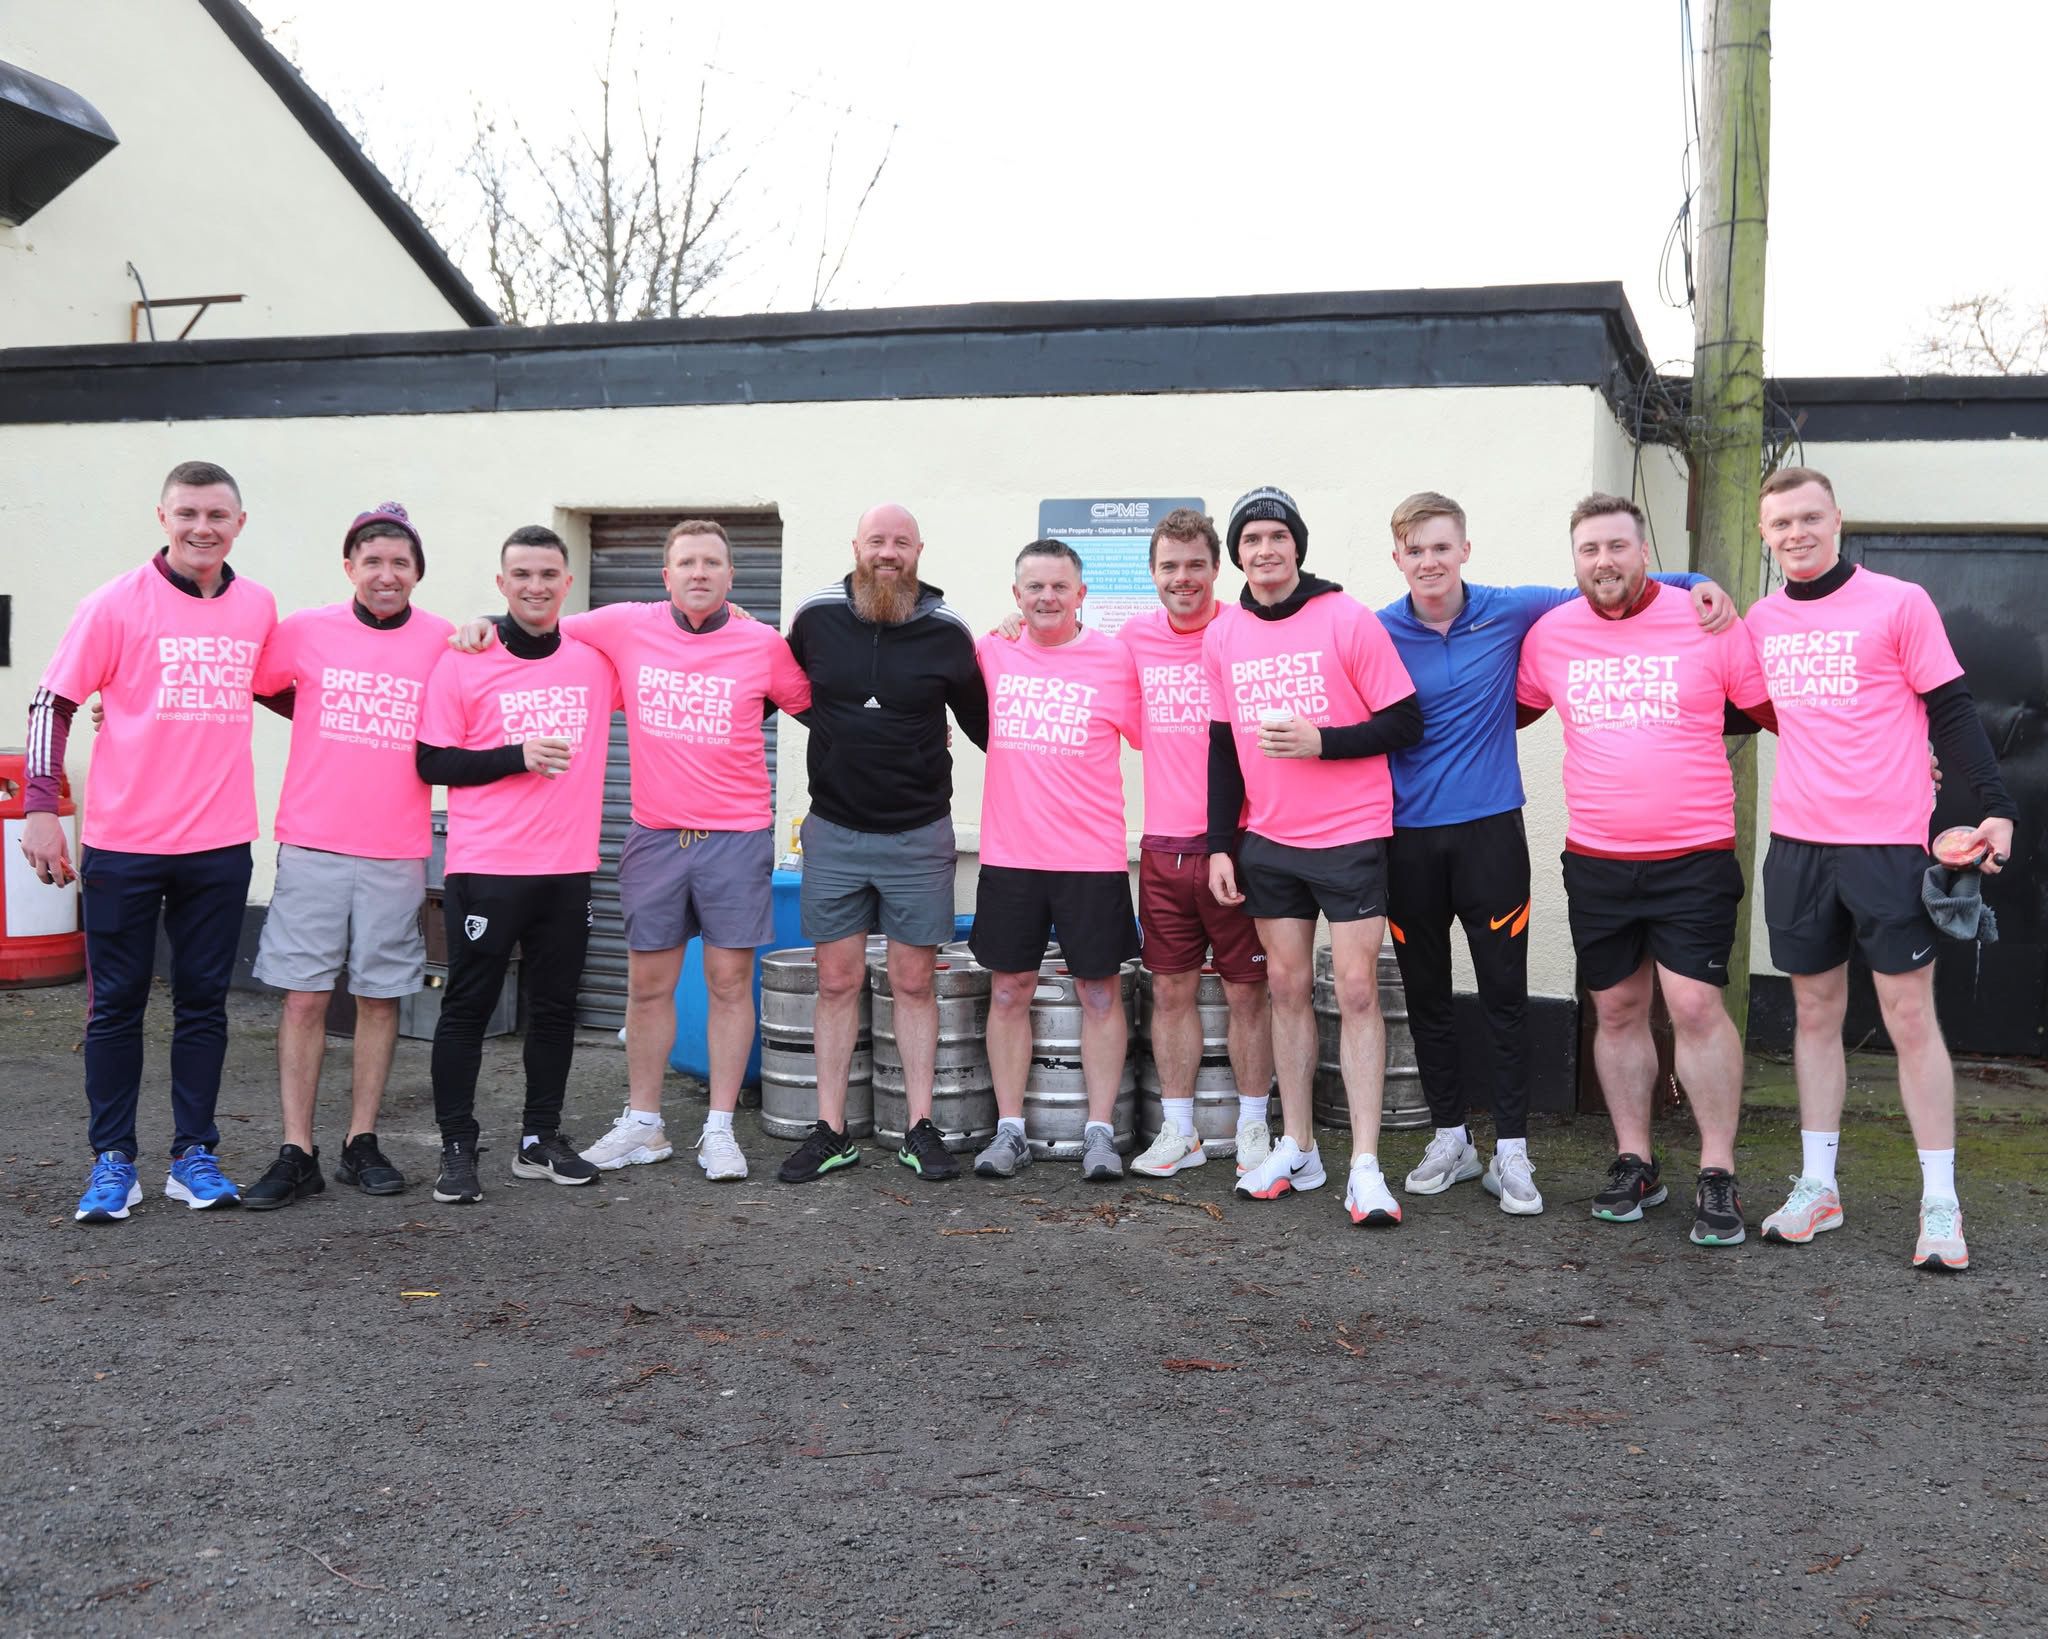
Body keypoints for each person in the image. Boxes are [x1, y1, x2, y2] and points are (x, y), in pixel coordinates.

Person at [1376, 491, 1731, 1216]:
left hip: (1491, 834)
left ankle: (1512, 1150)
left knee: (1505, 997)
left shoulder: (1512, 609)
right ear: (1398, 558)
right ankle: (1450, 1137)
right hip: (1406, 840)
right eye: (1415, 549)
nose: (1430, 560)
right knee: (1427, 997)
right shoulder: (1376, 630)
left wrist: (1699, 582)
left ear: (1465, 549)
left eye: (1442, 546)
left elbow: (1610, 582)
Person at [1744, 467, 2017, 1271]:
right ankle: (1818, 1186)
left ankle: (1940, 1202)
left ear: (1837, 519)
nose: (1796, 533)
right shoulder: (1760, 621)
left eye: (1809, 517)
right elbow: (1758, 709)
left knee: (1908, 1017)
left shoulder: (1899, 603)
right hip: (1798, 844)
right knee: (1814, 1013)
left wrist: (1995, 803)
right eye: (1780, 523)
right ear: (1764, 535)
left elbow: (1952, 709)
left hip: (1888, 846)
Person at [1515, 493, 1773, 1248]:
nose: (1604, 561)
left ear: (1644, 552)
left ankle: (1718, 1170)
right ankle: (1636, 1161)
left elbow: (1779, 712)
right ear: (1575, 559)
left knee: (1693, 1005)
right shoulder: (1551, 635)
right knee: (1618, 1009)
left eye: (1617, 546)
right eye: (1589, 549)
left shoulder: (1705, 619)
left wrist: (1906, 751)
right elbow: (1495, 711)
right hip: (1597, 858)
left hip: (1693, 855)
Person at [23, 460, 277, 1222]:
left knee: (203, 1003)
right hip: (124, 842)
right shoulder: (113, 603)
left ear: (239, 524)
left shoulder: (258, 606)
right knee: (115, 1005)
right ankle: (113, 1160)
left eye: (217, 515)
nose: (203, 527)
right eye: (187, 513)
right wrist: (41, 809)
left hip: (220, 842)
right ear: (162, 518)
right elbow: (52, 702)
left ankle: (194, 1155)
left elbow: (293, 687)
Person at [553, 519, 809, 1182]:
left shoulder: (761, 643)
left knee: (728, 984)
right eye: (687, 562)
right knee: (648, 985)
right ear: (666, 576)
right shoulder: (626, 623)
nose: (699, 572)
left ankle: (718, 1128)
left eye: (712, 563)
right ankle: (644, 1122)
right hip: (655, 836)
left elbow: (815, 707)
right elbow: (544, 628)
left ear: (731, 577)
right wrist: (478, 629)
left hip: (736, 839)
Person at [1204, 486, 1423, 1225]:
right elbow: (1222, 749)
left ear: (1297, 545)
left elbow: (1406, 721)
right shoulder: (1223, 635)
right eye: (1251, 539)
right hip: (1268, 839)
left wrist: (1322, 742)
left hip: (1350, 833)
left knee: (1356, 990)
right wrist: (1220, 843)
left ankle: (1365, 1165)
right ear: (1237, 554)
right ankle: (1298, 1145)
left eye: (1278, 536)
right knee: (1287, 987)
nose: (1265, 549)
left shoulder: (1345, 617)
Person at [240, 503, 455, 1208]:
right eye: (373, 561)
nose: (386, 574)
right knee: (305, 998)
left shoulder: (443, 641)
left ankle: (361, 1141)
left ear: (417, 572)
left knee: (378, 997)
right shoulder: (306, 630)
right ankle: (295, 1149)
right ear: (349, 567)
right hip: (314, 841)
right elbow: (253, 683)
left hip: (396, 848)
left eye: (400, 563)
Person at [776, 502, 988, 1184]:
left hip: (918, 834)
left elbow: (989, 725)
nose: (887, 552)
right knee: (836, 981)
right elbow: (767, 685)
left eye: (900, 541)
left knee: (914, 982)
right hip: (834, 832)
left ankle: (920, 1127)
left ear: (919, 550)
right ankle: (831, 1130)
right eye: (877, 540)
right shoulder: (815, 618)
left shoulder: (948, 631)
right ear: (856, 546)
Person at [415, 525, 620, 1205]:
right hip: (487, 867)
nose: (536, 586)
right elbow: (431, 760)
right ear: (502, 584)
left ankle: (540, 1139)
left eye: (548, 574)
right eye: (522, 575)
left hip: (567, 867)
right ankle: (456, 1145)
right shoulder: (463, 660)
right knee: (468, 1007)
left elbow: (666, 649)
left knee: (555, 1008)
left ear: (568, 584)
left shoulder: (595, 662)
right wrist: (516, 756)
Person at [970, 540, 1144, 1183]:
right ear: (1016, 595)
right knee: (1008, 990)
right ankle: (1010, 1129)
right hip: (1010, 855)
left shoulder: (1114, 659)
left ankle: (1099, 1132)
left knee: (1098, 991)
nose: (1047, 597)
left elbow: (1157, 738)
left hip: (1090, 857)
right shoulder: (990, 652)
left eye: (1059, 586)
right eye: (1035, 587)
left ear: (1081, 594)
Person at [1109, 509, 1276, 1177]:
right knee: (1171, 992)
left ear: (1216, 569)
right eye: (1170, 566)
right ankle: (1179, 1131)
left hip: (1238, 845)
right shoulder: (1132, 639)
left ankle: (1255, 1125)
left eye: (1195, 565)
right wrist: (1011, 626)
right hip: (1162, 848)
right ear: (1153, 573)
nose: (1183, 578)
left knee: (1248, 993)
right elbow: (1069, 654)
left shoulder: (1242, 632)